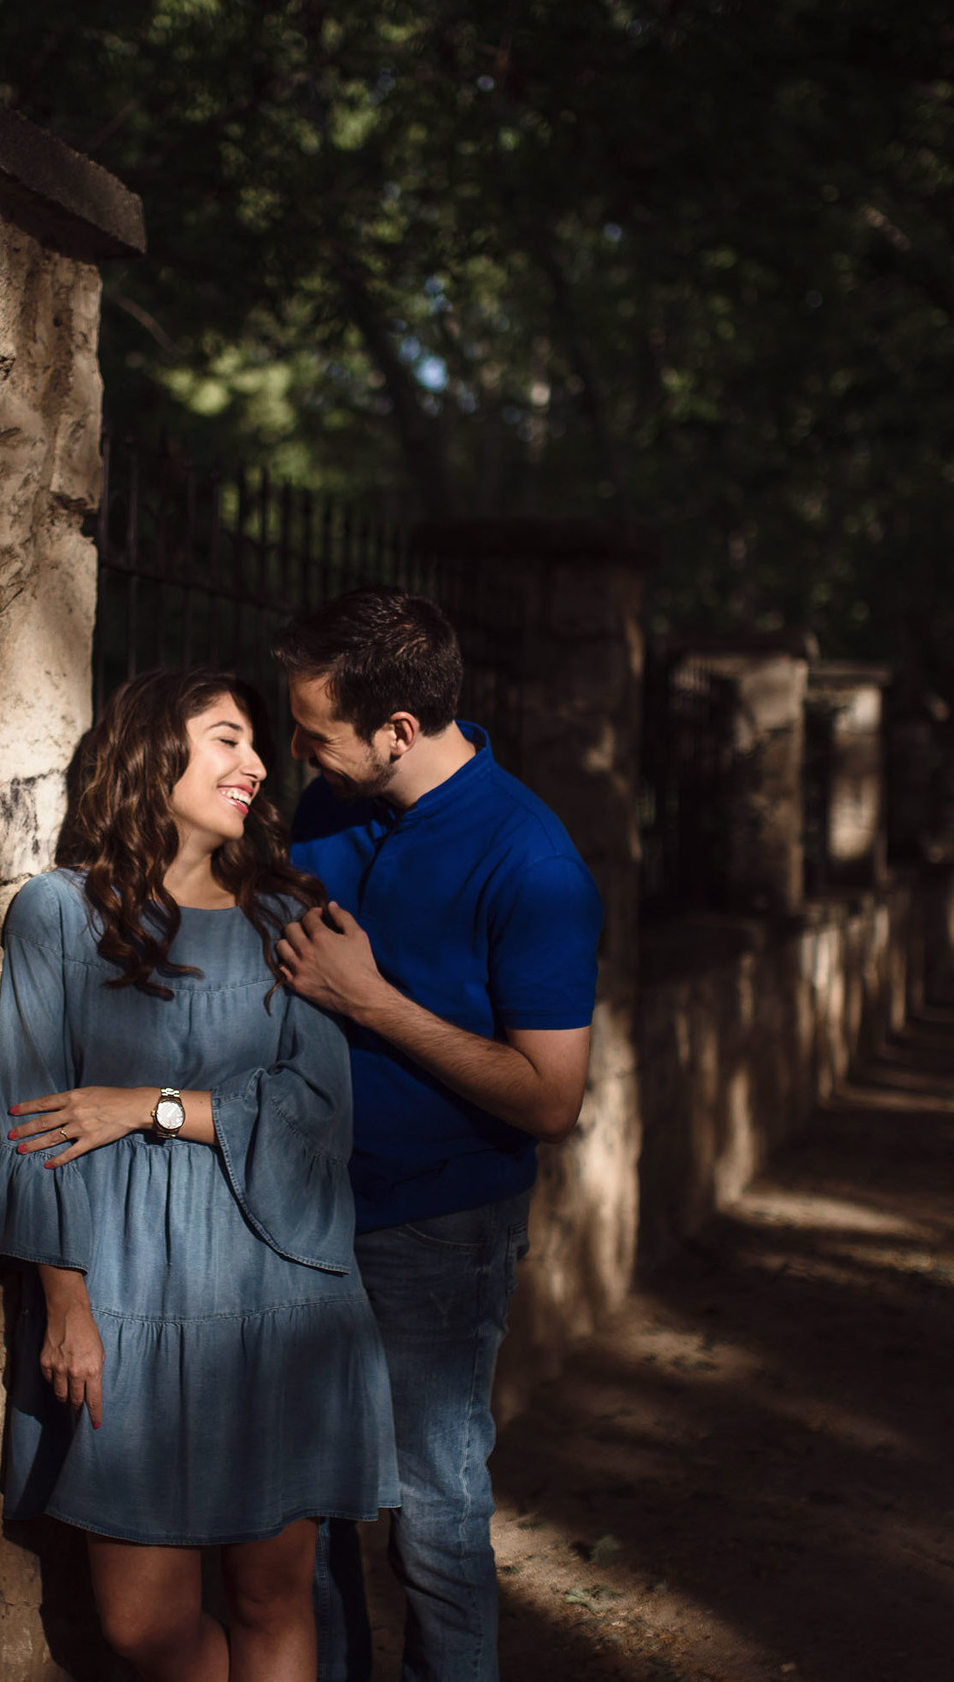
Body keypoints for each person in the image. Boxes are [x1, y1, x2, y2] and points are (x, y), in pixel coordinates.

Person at [0, 667, 400, 1682]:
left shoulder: (288, 918)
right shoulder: (59, 914)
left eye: (255, 744)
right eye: (225, 738)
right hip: (126, 1303)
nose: (255, 764)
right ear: (149, 754)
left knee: (269, 1598)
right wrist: (66, 1305)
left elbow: (317, 1118)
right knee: (139, 1627)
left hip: (280, 1296)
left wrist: (148, 1104)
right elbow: (26, 1120)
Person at [270, 588, 604, 1682]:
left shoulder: (531, 858)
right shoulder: (325, 801)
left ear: (398, 731)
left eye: (316, 732)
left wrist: (371, 1002)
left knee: (433, 1515)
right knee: (307, 1510)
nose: (296, 752)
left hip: (439, 1225)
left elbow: (551, 1097)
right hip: (299, 1206)